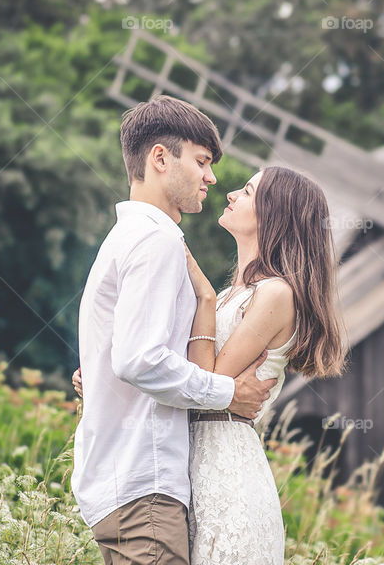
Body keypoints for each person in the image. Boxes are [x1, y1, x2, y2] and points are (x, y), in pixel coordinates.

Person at [74, 165, 348, 564]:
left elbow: (206, 383)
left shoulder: (275, 294)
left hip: (227, 476)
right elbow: (168, 370)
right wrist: (104, 378)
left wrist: (202, 296)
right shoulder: (230, 296)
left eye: (249, 191)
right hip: (189, 468)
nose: (231, 193)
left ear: (275, 214)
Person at [70, 95, 277, 565]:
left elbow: (120, 355)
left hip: (125, 482)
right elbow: (137, 360)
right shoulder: (155, 239)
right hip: (144, 485)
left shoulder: (128, 237)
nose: (212, 177)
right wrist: (227, 393)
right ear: (160, 158)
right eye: (202, 161)